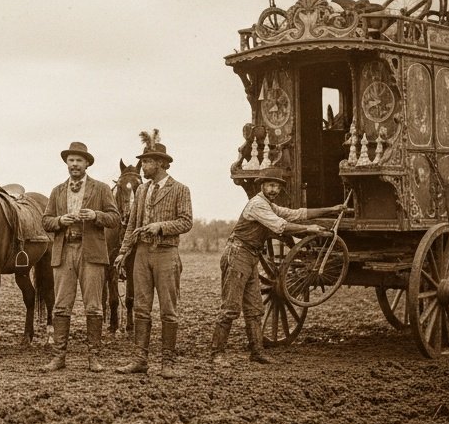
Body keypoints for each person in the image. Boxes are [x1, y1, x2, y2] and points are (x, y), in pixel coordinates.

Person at [211, 173, 346, 365]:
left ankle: (257, 352)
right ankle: (217, 353)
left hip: (251, 256)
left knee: (255, 308)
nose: (274, 190)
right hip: (238, 254)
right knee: (231, 307)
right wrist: (309, 230)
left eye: (277, 186)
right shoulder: (257, 205)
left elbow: (296, 214)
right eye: (270, 185)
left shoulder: (269, 205)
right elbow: (280, 226)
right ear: (262, 186)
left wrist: (330, 209)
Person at [114, 136, 192, 378]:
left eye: (147, 162)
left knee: (168, 310)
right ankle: (140, 360)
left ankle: (167, 363)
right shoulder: (142, 190)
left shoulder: (180, 189)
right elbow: (131, 226)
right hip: (141, 254)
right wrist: (123, 252)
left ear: (160, 164)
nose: (143, 166)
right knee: (141, 309)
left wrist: (160, 226)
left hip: (166, 254)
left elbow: (186, 221)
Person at [40, 141, 120, 372]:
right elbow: (45, 221)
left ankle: (93, 358)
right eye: (71, 160)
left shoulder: (101, 189)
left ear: (87, 164)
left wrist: (96, 215)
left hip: (91, 253)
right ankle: (59, 358)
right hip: (64, 252)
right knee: (61, 306)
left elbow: (115, 218)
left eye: (79, 161)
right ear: (67, 163)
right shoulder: (57, 191)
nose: (74, 164)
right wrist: (59, 221)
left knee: (94, 307)